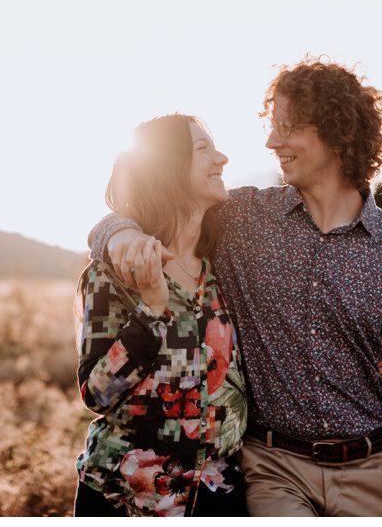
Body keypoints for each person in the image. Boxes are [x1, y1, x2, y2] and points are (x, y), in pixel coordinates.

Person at [90, 57, 382, 517]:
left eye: (287, 127)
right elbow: (156, 202)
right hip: (273, 468)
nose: (271, 141)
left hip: (369, 471)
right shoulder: (243, 219)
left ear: (337, 133)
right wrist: (119, 234)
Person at [73, 114, 249, 517]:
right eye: (203, 149)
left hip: (218, 495)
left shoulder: (224, 267)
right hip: (126, 498)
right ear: (168, 168)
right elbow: (96, 393)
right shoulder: (114, 272)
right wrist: (152, 309)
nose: (222, 158)